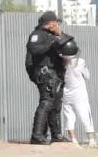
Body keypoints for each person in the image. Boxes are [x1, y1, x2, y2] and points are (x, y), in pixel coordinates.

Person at [26, 11, 74, 144]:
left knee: (56, 104)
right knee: (46, 102)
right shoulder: (37, 34)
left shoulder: (53, 35)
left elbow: (71, 44)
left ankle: (56, 135)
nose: (57, 24)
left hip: (57, 74)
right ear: (50, 23)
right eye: (55, 22)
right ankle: (37, 135)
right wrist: (52, 43)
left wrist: (60, 34)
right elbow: (34, 49)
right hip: (45, 73)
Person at [60, 39, 96, 146]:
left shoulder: (60, 63)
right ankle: (91, 140)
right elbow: (87, 76)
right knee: (85, 115)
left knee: (69, 116)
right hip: (80, 94)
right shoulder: (80, 62)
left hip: (66, 93)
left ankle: (73, 140)